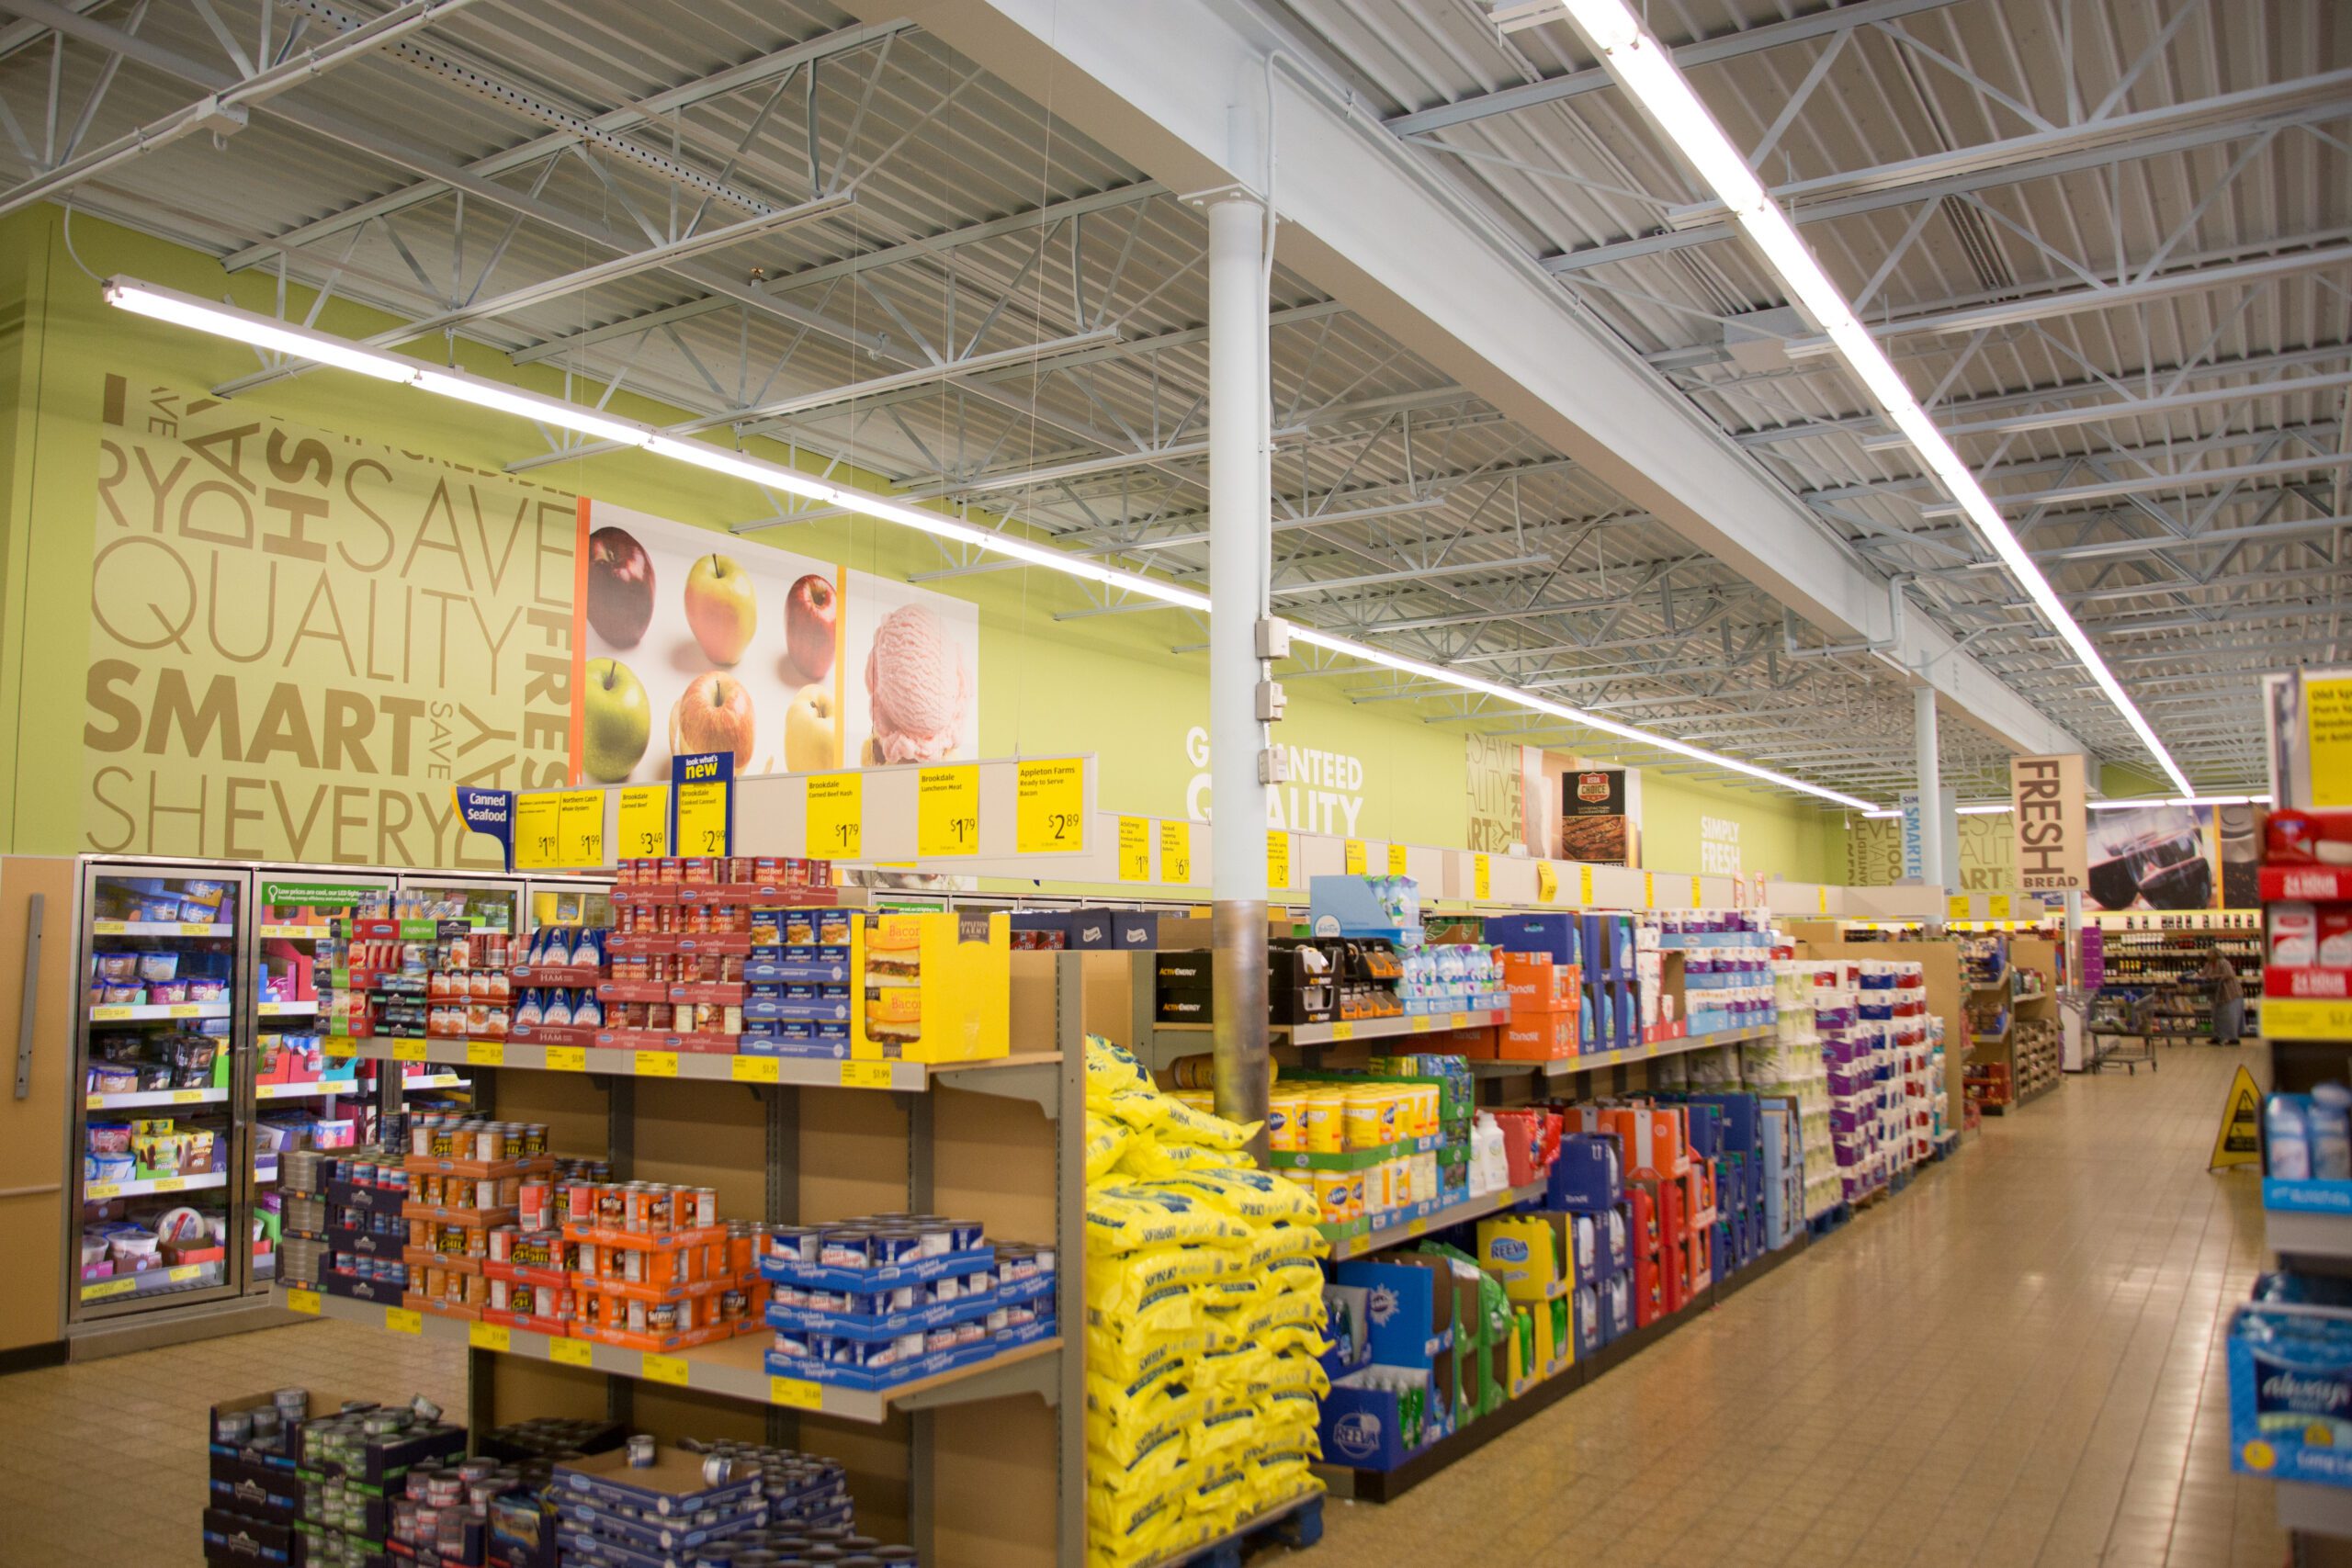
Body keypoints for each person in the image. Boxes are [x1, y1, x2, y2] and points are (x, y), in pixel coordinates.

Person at [2204, 949, 2245, 1045]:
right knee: (2216, 1015)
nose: (2207, 955)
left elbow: (2230, 975)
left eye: (2209, 953)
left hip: (2231, 993)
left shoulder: (2224, 962)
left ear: (2216, 954)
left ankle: (2233, 1038)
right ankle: (2217, 1037)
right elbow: (2204, 974)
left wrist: (2214, 977)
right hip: (2217, 995)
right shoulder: (2208, 964)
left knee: (2230, 1017)